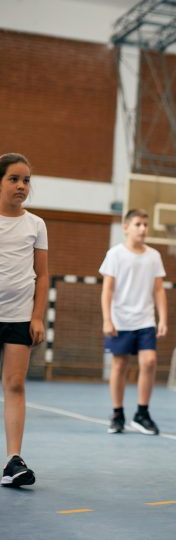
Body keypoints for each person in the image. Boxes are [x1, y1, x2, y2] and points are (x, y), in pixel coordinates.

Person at [0, 153, 47, 488]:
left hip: (19, 317)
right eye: (14, 178)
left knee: (15, 385)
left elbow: (42, 276)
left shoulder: (36, 225)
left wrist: (37, 316)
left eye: (26, 180)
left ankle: (13, 460)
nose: (21, 186)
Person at [100, 209, 168, 436]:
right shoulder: (115, 254)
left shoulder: (154, 256)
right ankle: (117, 413)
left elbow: (159, 290)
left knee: (149, 362)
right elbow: (107, 289)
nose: (142, 228)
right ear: (126, 227)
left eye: (145, 224)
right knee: (119, 365)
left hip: (145, 319)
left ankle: (142, 413)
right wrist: (107, 319)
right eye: (138, 224)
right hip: (120, 321)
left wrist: (163, 319)